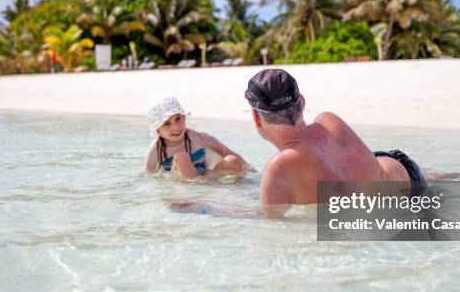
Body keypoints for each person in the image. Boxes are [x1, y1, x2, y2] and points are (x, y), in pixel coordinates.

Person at [244, 68, 426, 214]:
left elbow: (271, 225)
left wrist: (222, 212)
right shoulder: (328, 120)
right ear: (303, 102)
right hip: (408, 175)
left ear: (257, 118)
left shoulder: (277, 168)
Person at [144, 96, 248, 178]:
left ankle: (238, 191)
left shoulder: (199, 137)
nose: (175, 127)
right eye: (166, 123)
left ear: (184, 117)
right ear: (157, 129)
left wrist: (253, 174)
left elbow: (228, 153)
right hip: (182, 186)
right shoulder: (156, 149)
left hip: (206, 180)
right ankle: (196, 195)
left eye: (178, 119)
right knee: (181, 158)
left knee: (233, 160)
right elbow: (147, 175)